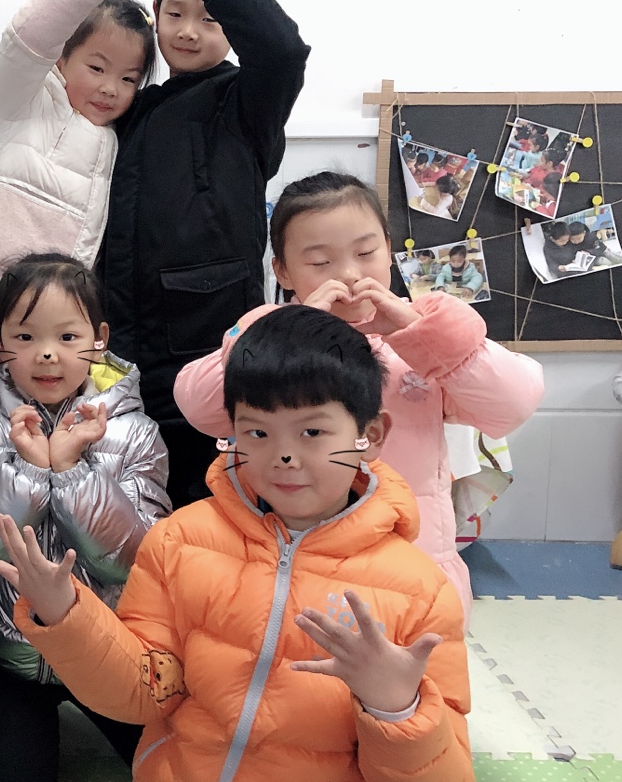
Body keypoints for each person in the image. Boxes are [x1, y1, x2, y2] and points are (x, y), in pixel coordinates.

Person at [0, 304, 476, 782]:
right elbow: (143, 692)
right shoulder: (180, 540)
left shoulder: (420, 590)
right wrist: (66, 617)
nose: (284, 456)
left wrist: (396, 708)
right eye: (257, 433)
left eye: (312, 431)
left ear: (372, 434)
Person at [173, 172, 544, 619]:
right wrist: (285, 334)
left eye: (366, 253)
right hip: (287, 570)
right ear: (283, 271)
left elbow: (513, 404)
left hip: (411, 571)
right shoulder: (269, 340)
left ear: (388, 248)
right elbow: (200, 407)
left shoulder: (423, 341)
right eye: (319, 262)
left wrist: (424, 337)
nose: (349, 275)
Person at [0, 253, 171, 782]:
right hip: (4, 654)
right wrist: (28, 472)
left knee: (177, 781)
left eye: (67, 336)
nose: (46, 354)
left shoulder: (136, 432)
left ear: (99, 339)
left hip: (111, 647)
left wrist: (73, 472)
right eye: (25, 336)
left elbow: (140, 562)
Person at [98, 0, 311, 507]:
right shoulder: (135, 108)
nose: (188, 31)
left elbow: (283, 50)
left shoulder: (246, 102)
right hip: (124, 351)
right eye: (175, 14)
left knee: (214, 503)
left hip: (210, 348)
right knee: (131, 505)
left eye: (210, 19)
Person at [0, 0, 159, 312]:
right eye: (97, 68)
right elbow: (26, 39)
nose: (110, 88)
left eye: (128, 78)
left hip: (54, 310)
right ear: (60, 58)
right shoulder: (25, 99)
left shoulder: (114, 141)